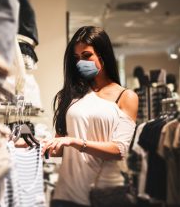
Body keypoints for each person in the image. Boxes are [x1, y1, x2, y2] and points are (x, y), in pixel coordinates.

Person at [41, 26, 138, 207]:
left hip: (106, 195)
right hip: (67, 195)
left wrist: (75, 142)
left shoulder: (126, 97)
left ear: (103, 55)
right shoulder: (69, 95)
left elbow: (119, 150)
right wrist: (32, 143)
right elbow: (59, 147)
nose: (80, 63)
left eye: (86, 56)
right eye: (76, 58)